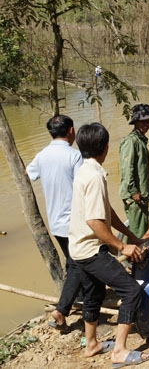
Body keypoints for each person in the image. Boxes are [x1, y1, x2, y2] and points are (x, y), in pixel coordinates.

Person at [70, 122, 149, 367]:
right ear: (105, 147)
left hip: (77, 248)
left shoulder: (84, 170)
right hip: (91, 250)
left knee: (93, 293)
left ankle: (92, 344)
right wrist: (122, 246)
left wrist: (131, 235)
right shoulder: (95, 177)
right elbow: (95, 221)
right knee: (131, 290)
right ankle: (119, 351)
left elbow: (106, 211)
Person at [26, 115, 84, 332]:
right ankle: (62, 309)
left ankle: (79, 297)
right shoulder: (74, 156)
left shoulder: (42, 156)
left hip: (55, 221)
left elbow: (28, 173)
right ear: (71, 131)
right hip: (74, 220)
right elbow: (83, 186)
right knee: (79, 263)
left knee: (72, 261)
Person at [119, 103, 149, 238]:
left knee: (136, 229)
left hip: (142, 194)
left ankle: (127, 257)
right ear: (136, 122)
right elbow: (126, 169)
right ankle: (134, 258)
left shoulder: (141, 141)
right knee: (138, 233)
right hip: (135, 197)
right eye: (143, 121)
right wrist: (133, 191)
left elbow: (142, 171)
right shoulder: (131, 142)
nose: (147, 124)